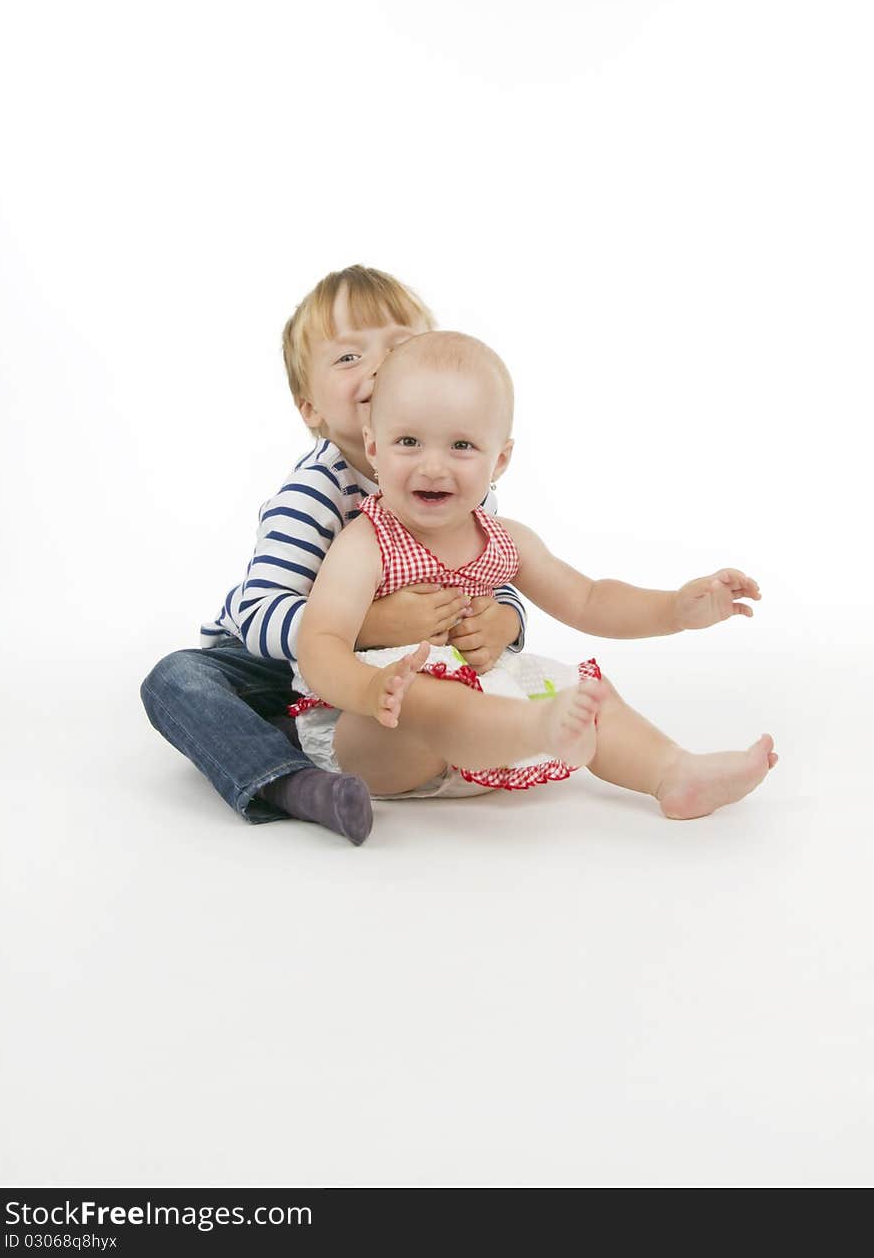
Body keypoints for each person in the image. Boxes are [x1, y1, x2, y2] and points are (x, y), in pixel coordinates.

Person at [293, 331, 779, 818]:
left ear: (499, 460)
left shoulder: (506, 539)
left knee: (591, 696)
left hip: (483, 714)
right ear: (373, 448)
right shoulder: (366, 543)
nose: (433, 466)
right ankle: (534, 729)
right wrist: (369, 690)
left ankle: (674, 773)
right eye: (409, 442)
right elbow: (320, 644)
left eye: (461, 445)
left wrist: (674, 609)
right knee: (429, 699)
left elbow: (589, 599)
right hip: (379, 735)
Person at [140, 267, 528, 844]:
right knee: (175, 680)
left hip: (375, 671)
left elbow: (492, 574)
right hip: (270, 661)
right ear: (310, 409)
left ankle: (309, 733)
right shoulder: (314, 494)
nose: (377, 366)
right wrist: (366, 626)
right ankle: (286, 780)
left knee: (464, 686)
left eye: (400, 347)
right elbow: (259, 612)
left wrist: (504, 620)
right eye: (349, 358)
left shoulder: (458, 483)